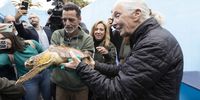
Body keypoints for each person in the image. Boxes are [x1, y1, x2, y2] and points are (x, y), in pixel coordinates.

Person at [63, 0, 184, 100]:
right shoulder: (147, 38)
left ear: (136, 14)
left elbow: (117, 92)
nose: (113, 23)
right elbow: (124, 69)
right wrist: (94, 65)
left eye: (117, 15)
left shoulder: (154, 43)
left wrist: (81, 68)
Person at [50, 2, 94, 100]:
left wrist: (60, 53)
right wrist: (77, 55)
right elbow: (52, 57)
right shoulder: (56, 34)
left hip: (81, 87)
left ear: (79, 19)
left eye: (71, 19)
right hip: (61, 86)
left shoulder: (87, 39)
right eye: (64, 19)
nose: (67, 23)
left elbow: (86, 62)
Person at [0, 31, 51, 100]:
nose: (1, 41)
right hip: (28, 80)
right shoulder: (6, 55)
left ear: (11, 36)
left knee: (48, 96)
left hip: (44, 74)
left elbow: (45, 55)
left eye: (3, 39)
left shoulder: (31, 43)